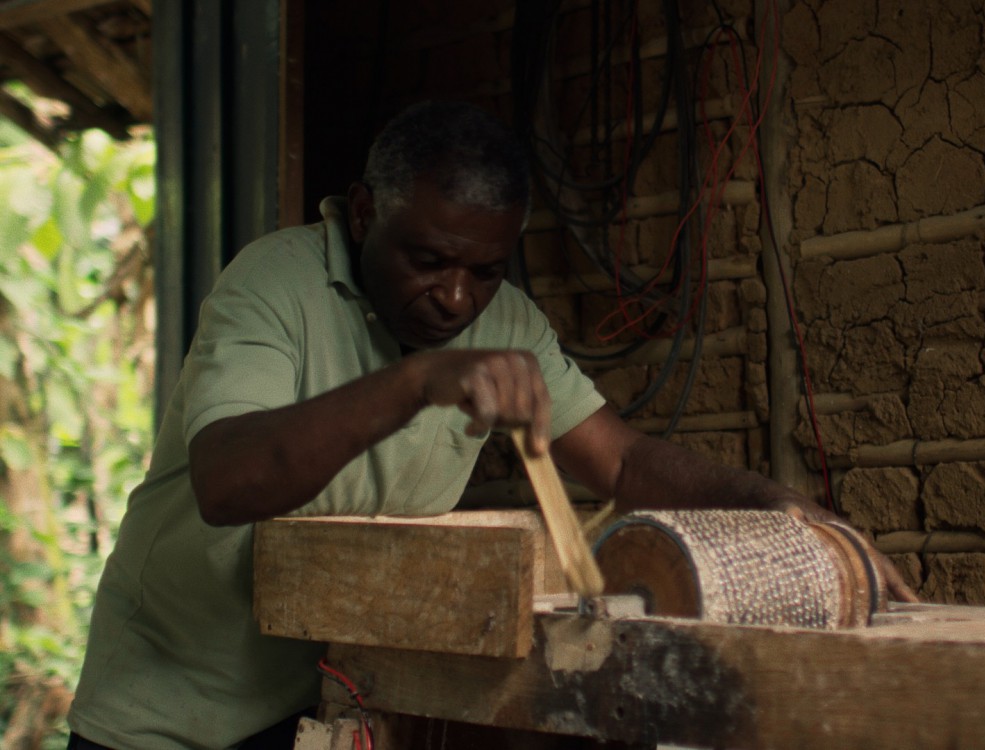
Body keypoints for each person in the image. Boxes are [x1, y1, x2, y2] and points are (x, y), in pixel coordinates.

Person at [66, 100, 915, 749]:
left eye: (484, 269)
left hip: (311, 706)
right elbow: (226, 484)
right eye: (429, 260)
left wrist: (780, 508)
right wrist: (419, 380)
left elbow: (620, 466)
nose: (459, 297)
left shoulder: (505, 322)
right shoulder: (273, 286)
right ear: (363, 214)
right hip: (164, 712)